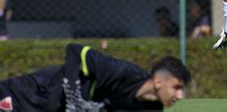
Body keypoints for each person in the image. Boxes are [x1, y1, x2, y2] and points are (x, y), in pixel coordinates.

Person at [0, 43, 191, 111]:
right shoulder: (122, 73)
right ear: (158, 81)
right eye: (176, 87)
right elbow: (75, 51)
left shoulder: (151, 108)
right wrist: (74, 99)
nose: (180, 95)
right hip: (31, 94)